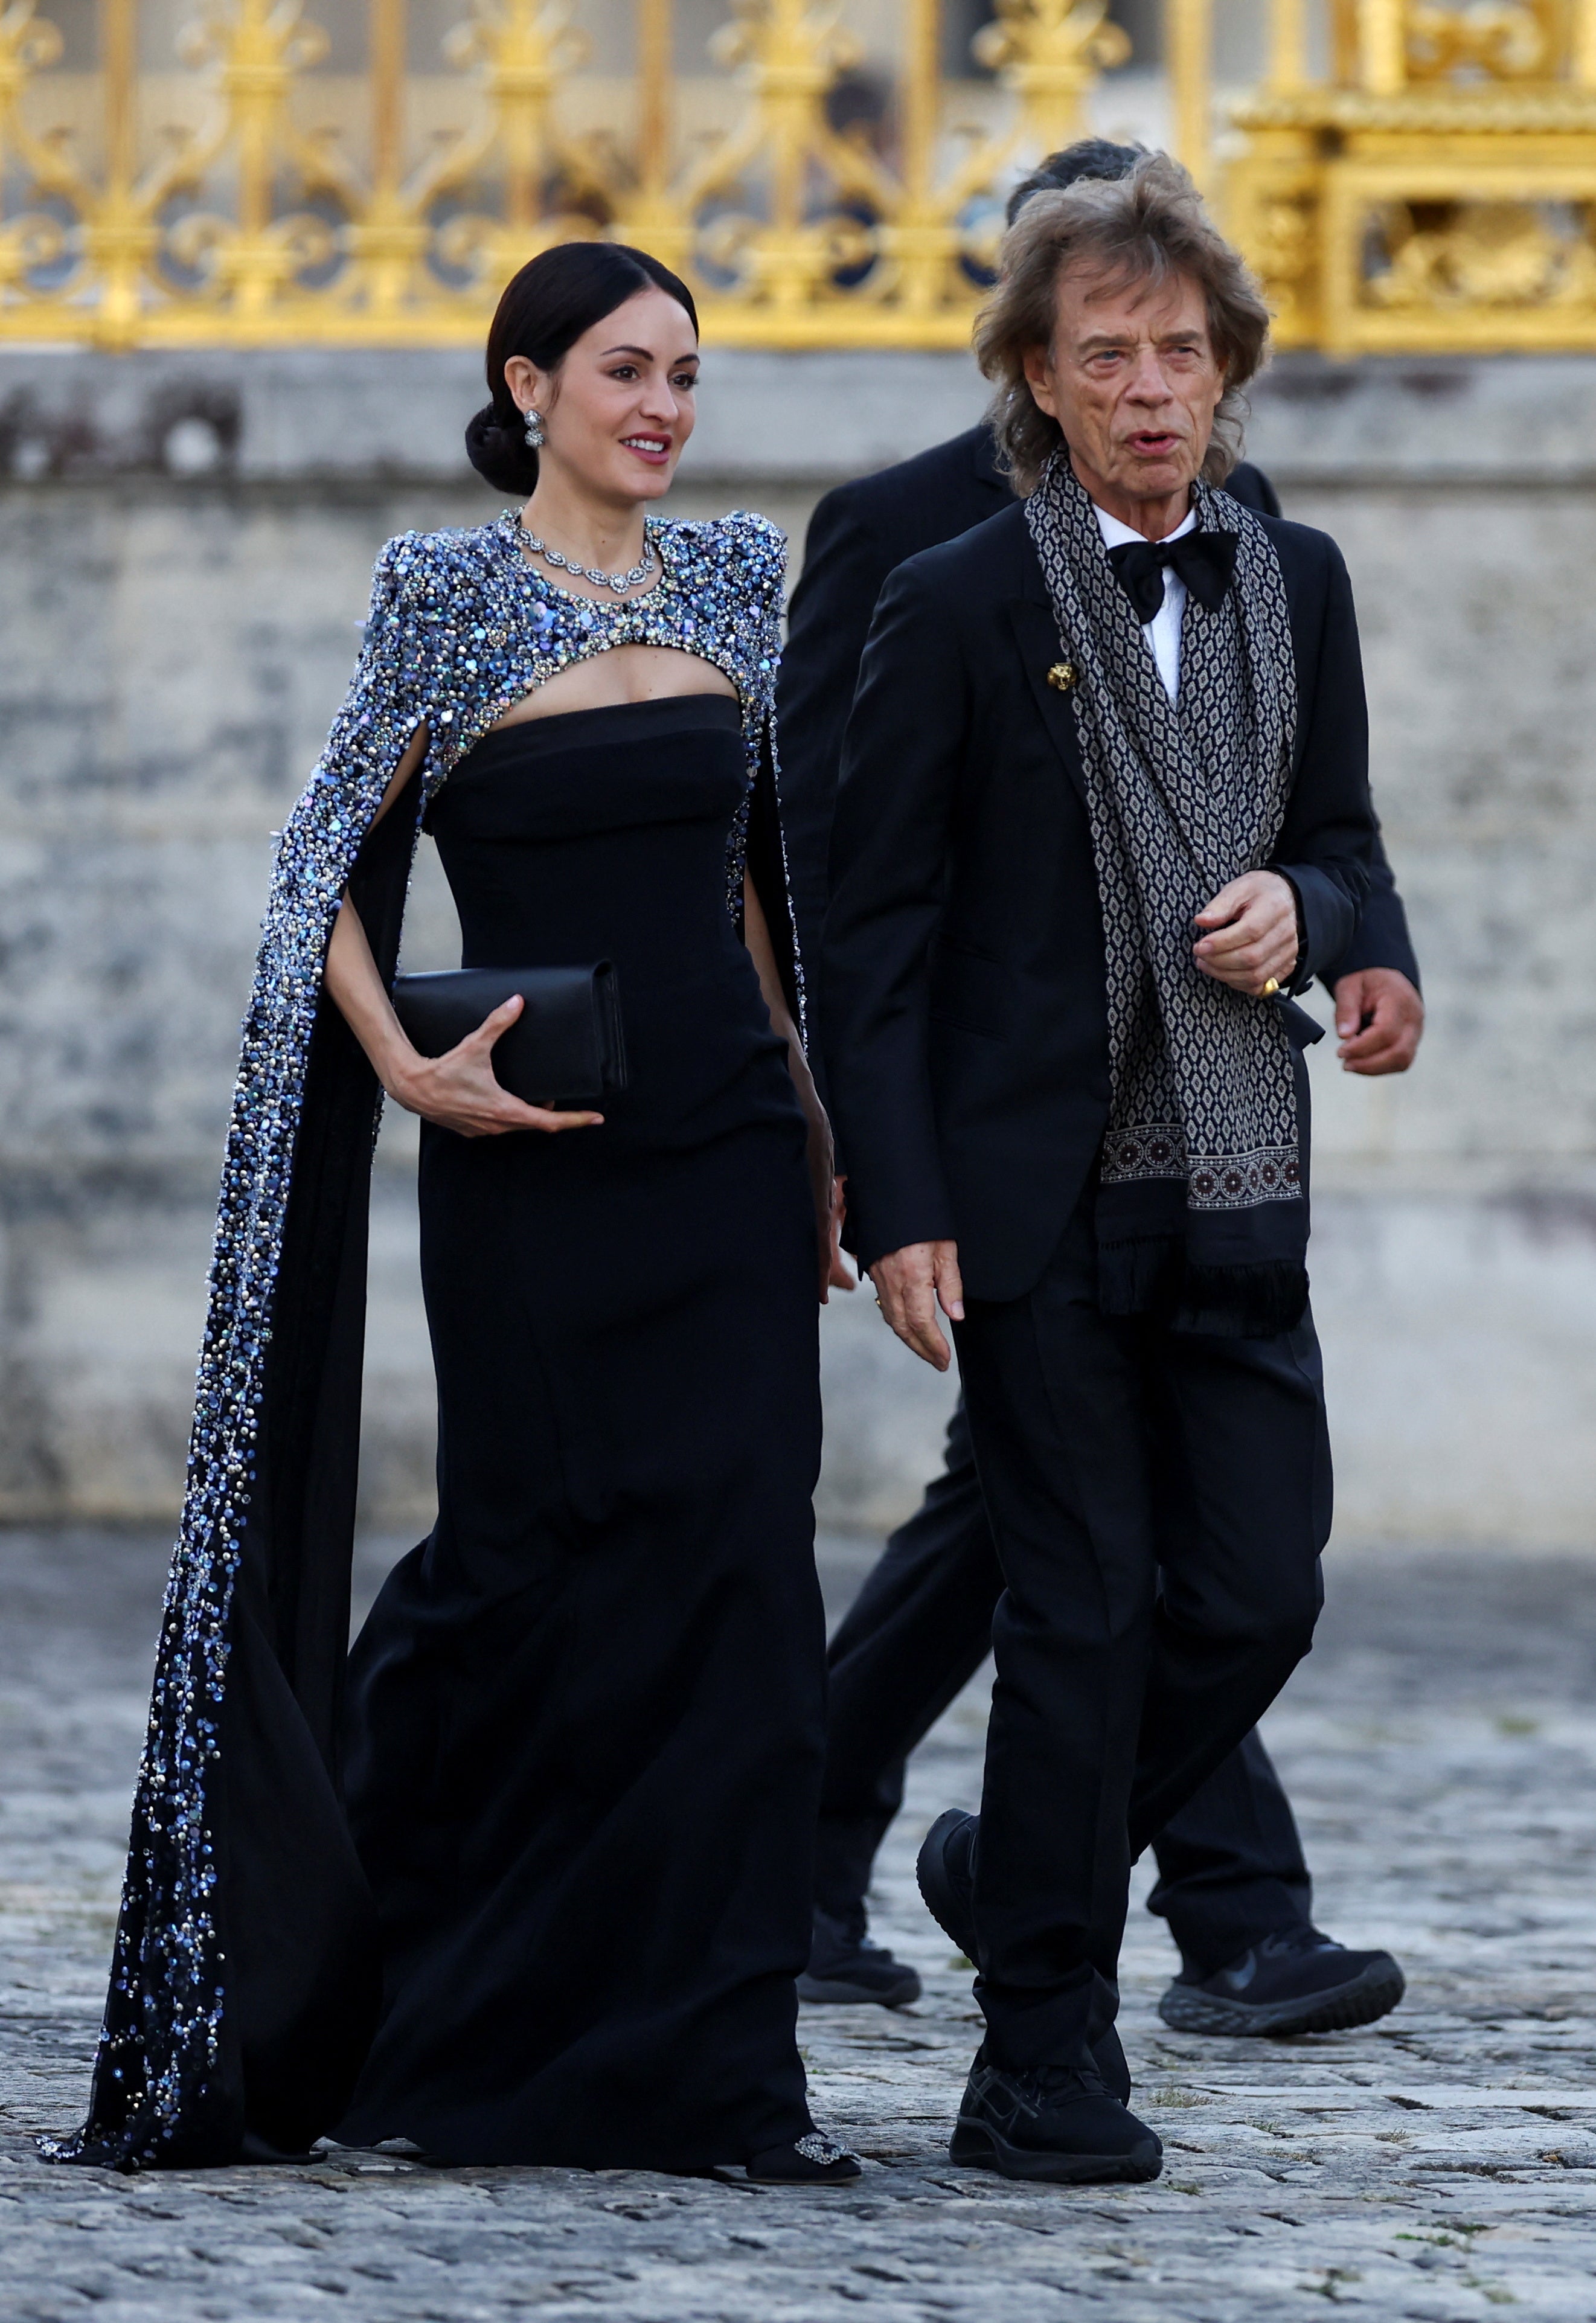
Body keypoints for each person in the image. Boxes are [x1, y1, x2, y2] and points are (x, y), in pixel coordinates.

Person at [51, 242, 860, 2185]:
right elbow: (319, 869)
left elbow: (766, 898)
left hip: (732, 1154)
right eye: (622, 371)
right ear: (526, 391)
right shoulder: (444, 591)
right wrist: (404, 1071)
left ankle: (722, 2080)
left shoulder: (744, 576)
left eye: (684, 373)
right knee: (524, 1572)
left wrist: (823, 1130)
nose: (661, 406)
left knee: (744, 1590)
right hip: (525, 1165)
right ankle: (417, 1999)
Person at [781, 141, 1417, 2042]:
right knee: (1087, 1579)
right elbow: (846, 868)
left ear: (1222, 359)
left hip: (1227, 1161)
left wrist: (1323, 922)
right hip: (1026, 1158)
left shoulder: (1271, 552)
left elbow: (1326, 824)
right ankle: (1177, 1939)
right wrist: (872, 1162)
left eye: (1179, 349)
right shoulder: (913, 541)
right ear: (1033, 355)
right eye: (1105, 348)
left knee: (1187, 1575)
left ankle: (959, 1863)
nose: (1148, 385)